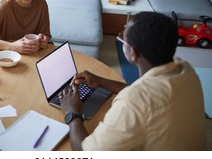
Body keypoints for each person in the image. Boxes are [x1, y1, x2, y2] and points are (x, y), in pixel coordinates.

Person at [60, 11, 206, 150]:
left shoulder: (131, 103)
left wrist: (72, 113)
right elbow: (146, 95)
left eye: (123, 38)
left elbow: (87, 155)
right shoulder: (185, 69)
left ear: (133, 53)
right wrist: (102, 82)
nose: (120, 36)